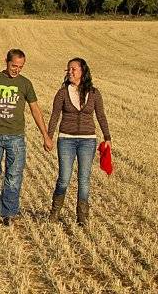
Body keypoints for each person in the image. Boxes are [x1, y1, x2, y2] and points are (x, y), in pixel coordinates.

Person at [0, 49, 53, 225]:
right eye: (14, 65)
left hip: (16, 137)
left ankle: (9, 213)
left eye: (20, 67)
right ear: (6, 62)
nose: (16, 69)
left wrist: (45, 135)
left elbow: (35, 110)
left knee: (14, 176)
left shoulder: (25, 84)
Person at [46, 57, 111, 227]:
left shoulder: (95, 93)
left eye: (73, 69)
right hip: (66, 139)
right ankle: (55, 212)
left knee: (84, 179)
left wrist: (107, 137)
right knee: (64, 178)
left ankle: (82, 216)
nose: (70, 72)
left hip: (88, 140)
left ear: (83, 72)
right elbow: (55, 115)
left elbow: (101, 115)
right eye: (68, 69)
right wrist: (48, 136)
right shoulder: (62, 93)